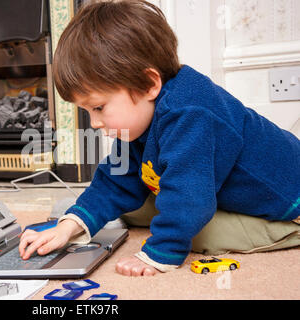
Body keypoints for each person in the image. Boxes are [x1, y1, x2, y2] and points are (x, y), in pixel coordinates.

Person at [19, 0, 300, 276]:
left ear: (149, 84)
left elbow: (190, 198)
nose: (94, 123)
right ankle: (83, 215)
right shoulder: (137, 122)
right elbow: (117, 177)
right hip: (206, 188)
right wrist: (71, 224)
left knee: (197, 232)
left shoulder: (189, 112)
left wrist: (158, 253)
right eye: (87, 111)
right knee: (130, 202)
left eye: (99, 108)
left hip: (286, 203)